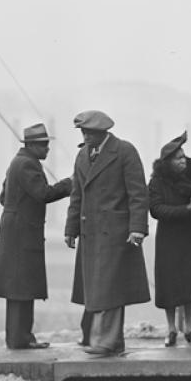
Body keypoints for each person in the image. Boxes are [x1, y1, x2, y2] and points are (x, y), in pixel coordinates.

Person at [64, 110, 151, 357]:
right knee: (97, 286)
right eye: (83, 132)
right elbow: (76, 195)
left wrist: (137, 228)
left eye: (88, 132)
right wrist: (71, 229)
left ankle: (106, 340)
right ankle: (109, 340)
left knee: (111, 286)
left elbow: (138, 194)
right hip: (90, 233)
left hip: (116, 233)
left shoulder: (124, 151)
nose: (85, 136)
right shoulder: (82, 155)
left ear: (101, 132)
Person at [0, 123, 72, 349]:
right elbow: (43, 194)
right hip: (22, 234)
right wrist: (69, 184)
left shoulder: (18, 162)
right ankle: (20, 339)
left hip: (15, 231)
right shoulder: (27, 164)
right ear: (32, 145)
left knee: (19, 287)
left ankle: (20, 337)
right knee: (21, 287)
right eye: (43, 145)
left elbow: (4, 198)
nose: (47, 149)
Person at [149, 131, 191, 347]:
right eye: (178, 158)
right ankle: (171, 330)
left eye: (183, 157)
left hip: (190, 236)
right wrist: (186, 210)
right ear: (168, 162)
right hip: (168, 239)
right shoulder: (157, 182)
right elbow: (157, 210)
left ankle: (189, 328)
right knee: (170, 285)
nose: (183, 161)